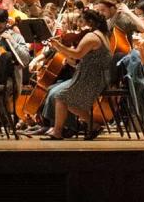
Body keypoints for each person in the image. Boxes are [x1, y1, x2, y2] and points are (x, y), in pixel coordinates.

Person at [43, 9, 113, 140]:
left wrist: (58, 45)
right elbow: (80, 60)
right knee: (66, 100)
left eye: (82, 21)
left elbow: (77, 54)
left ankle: (57, 132)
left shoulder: (92, 37)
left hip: (92, 78)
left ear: (90, 22)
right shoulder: (101, 34)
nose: (79, 25)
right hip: (95, 76)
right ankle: (93, 125)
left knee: (61, 96)